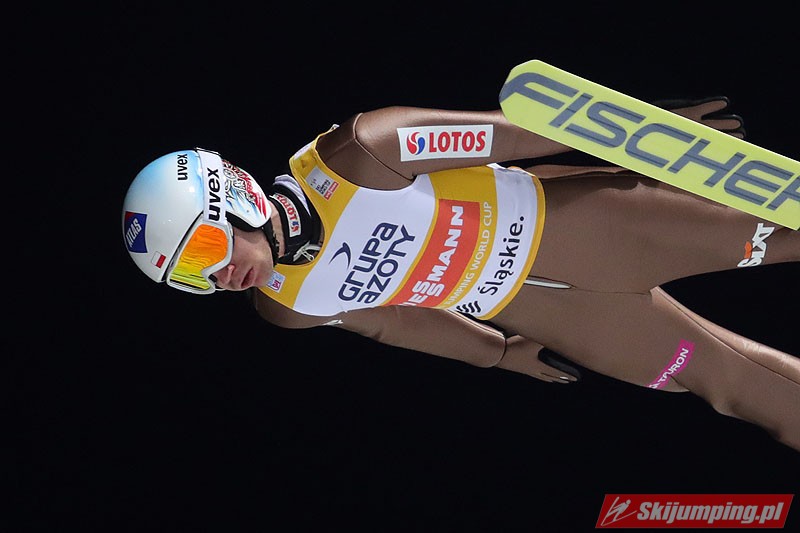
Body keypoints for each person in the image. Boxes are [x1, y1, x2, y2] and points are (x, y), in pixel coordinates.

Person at [122, 96, 800, 452]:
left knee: (779, 234)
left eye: (203, 248)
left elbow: (507, 133)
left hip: (582, 226)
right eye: (191, 276)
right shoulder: (287, 305)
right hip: (547, 311)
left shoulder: (358, 154)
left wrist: (637, 134)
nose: (218, 275)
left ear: (234, 196)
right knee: (730, 385)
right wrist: (495, 352)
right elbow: (392, 321)